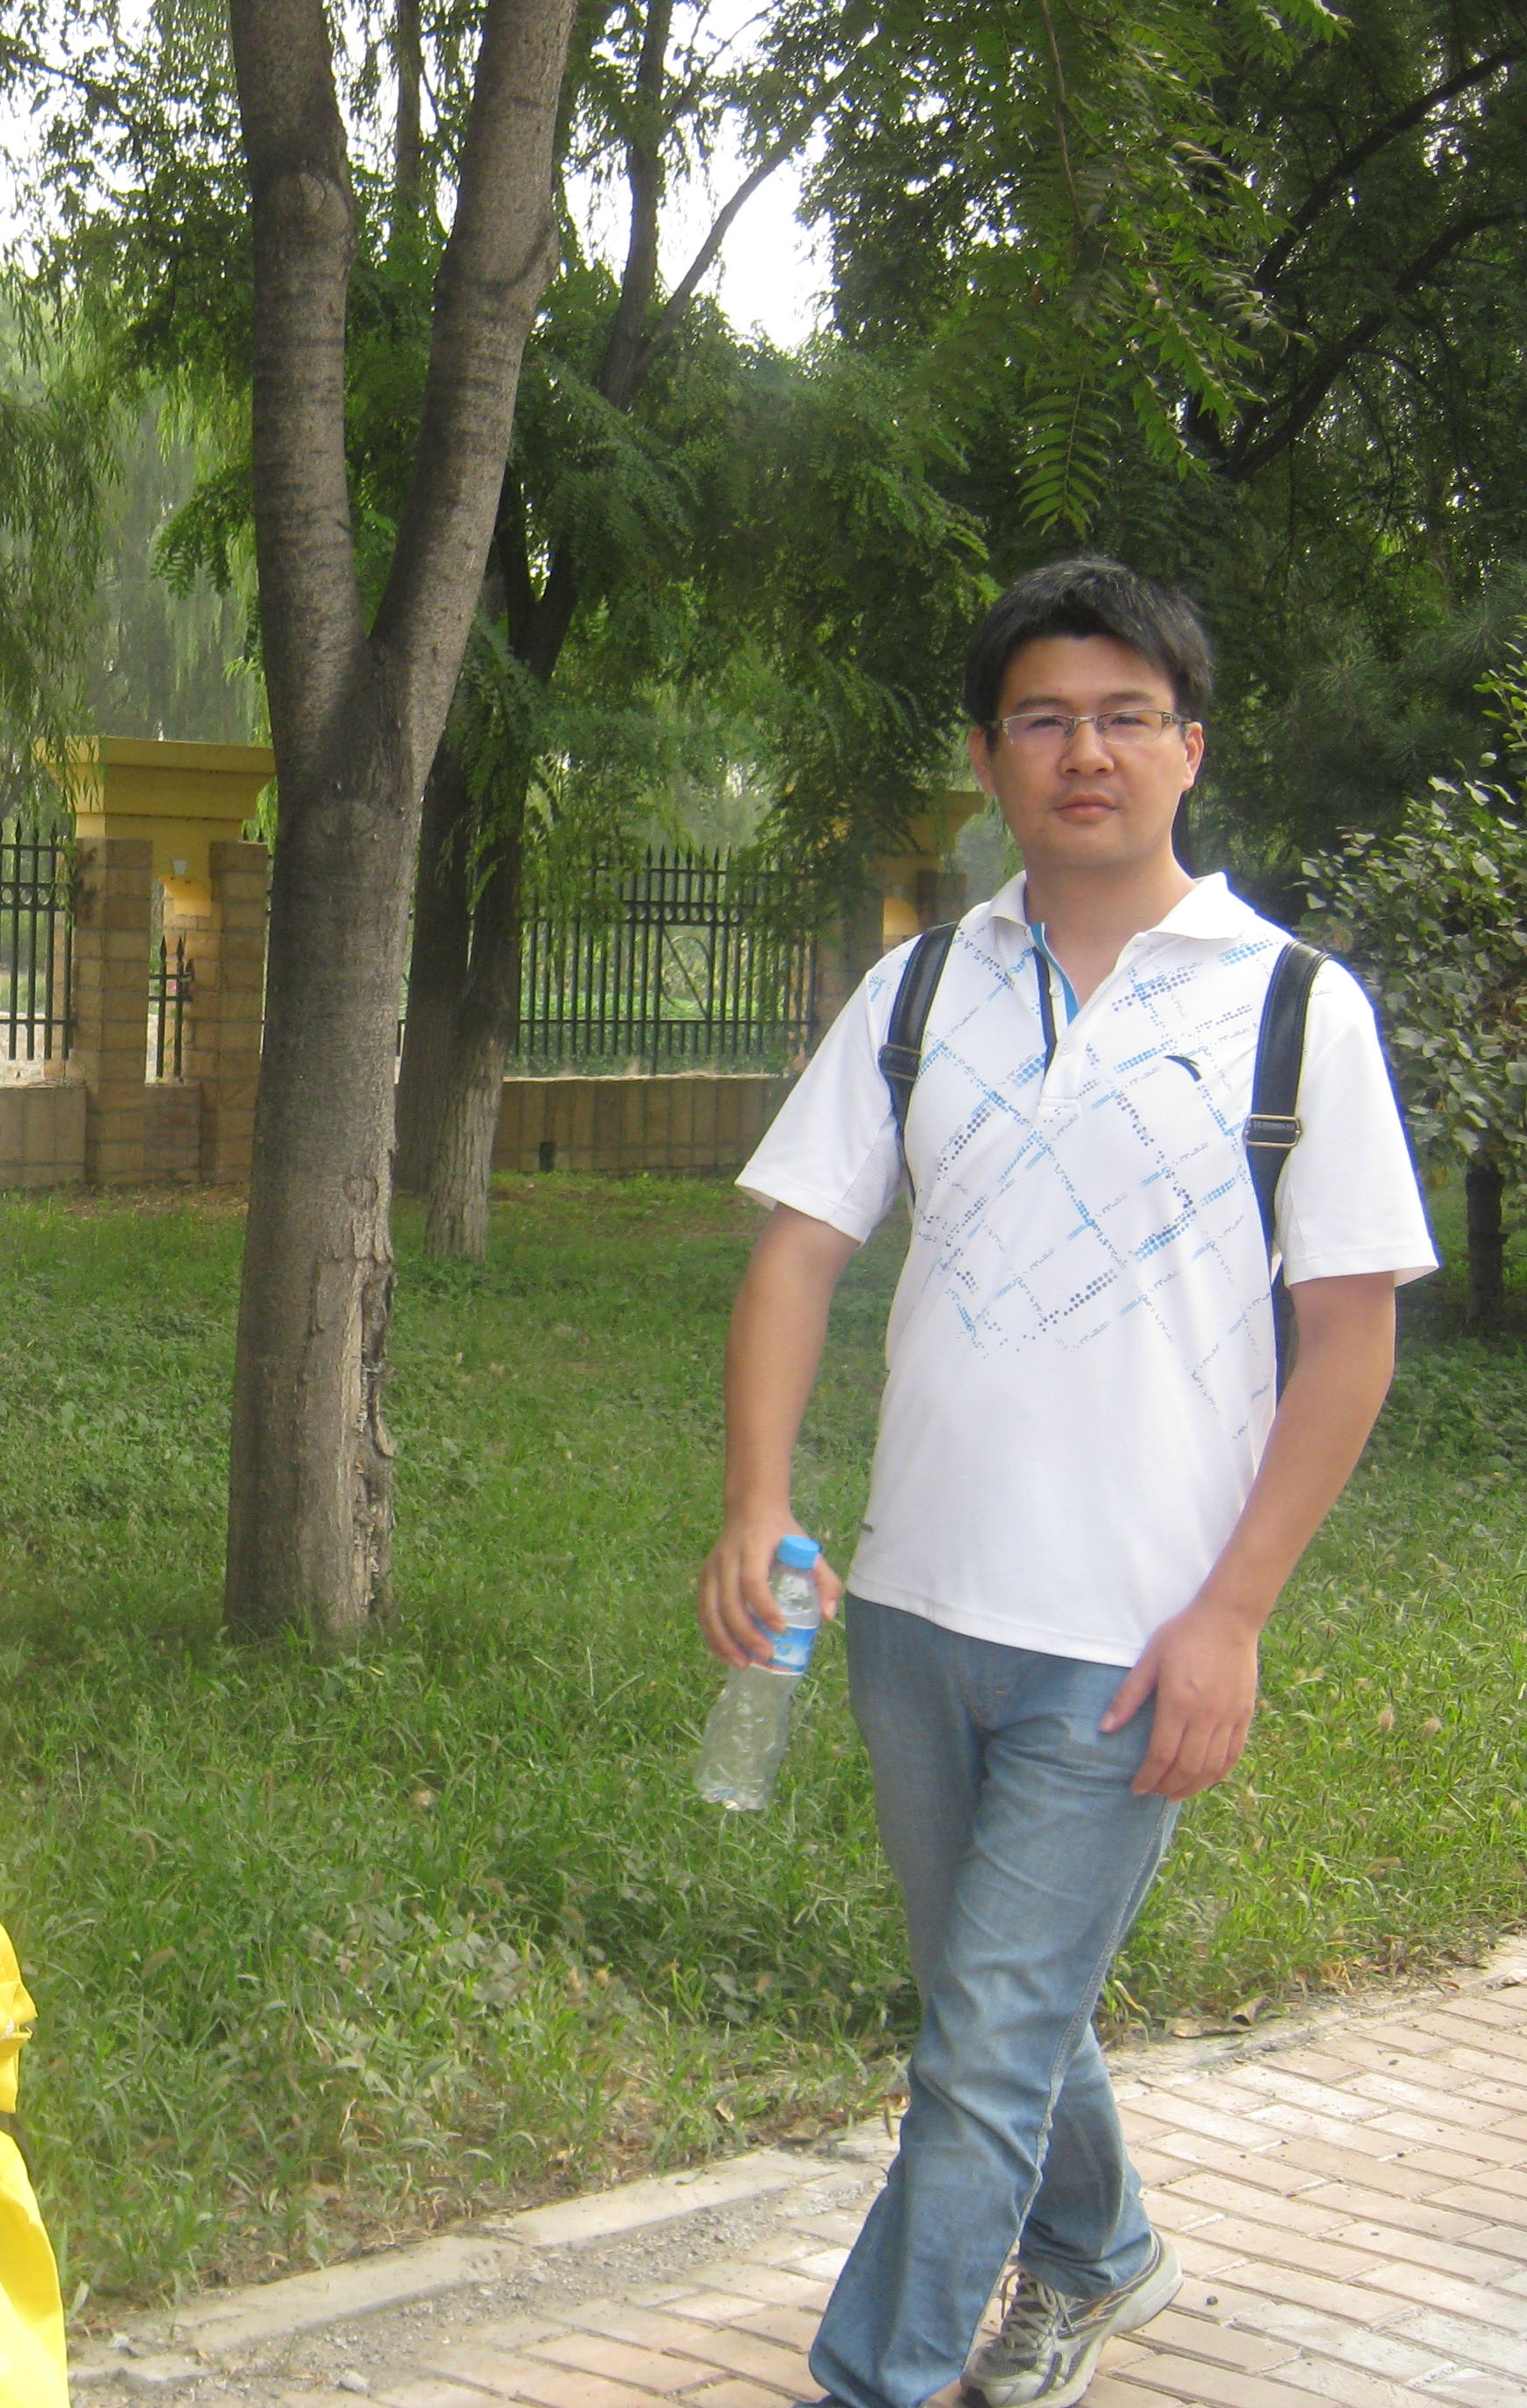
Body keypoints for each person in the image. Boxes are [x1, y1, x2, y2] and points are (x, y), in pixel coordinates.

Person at [701, 558, 1437, 2408]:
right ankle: (1102, 2251)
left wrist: (1232, 1618)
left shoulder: (1296, 1008)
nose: (1084, 753)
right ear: (987, 757)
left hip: (1128, 1639)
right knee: (995, 2005)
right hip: (910, 1612)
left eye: (1125, 717)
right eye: (1043, 719)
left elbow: (1349, 1339)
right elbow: (798, 1251)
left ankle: (873, 2377)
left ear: (1191, 748)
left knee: (979, 2051)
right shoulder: (921, 987)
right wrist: (758, 1504)